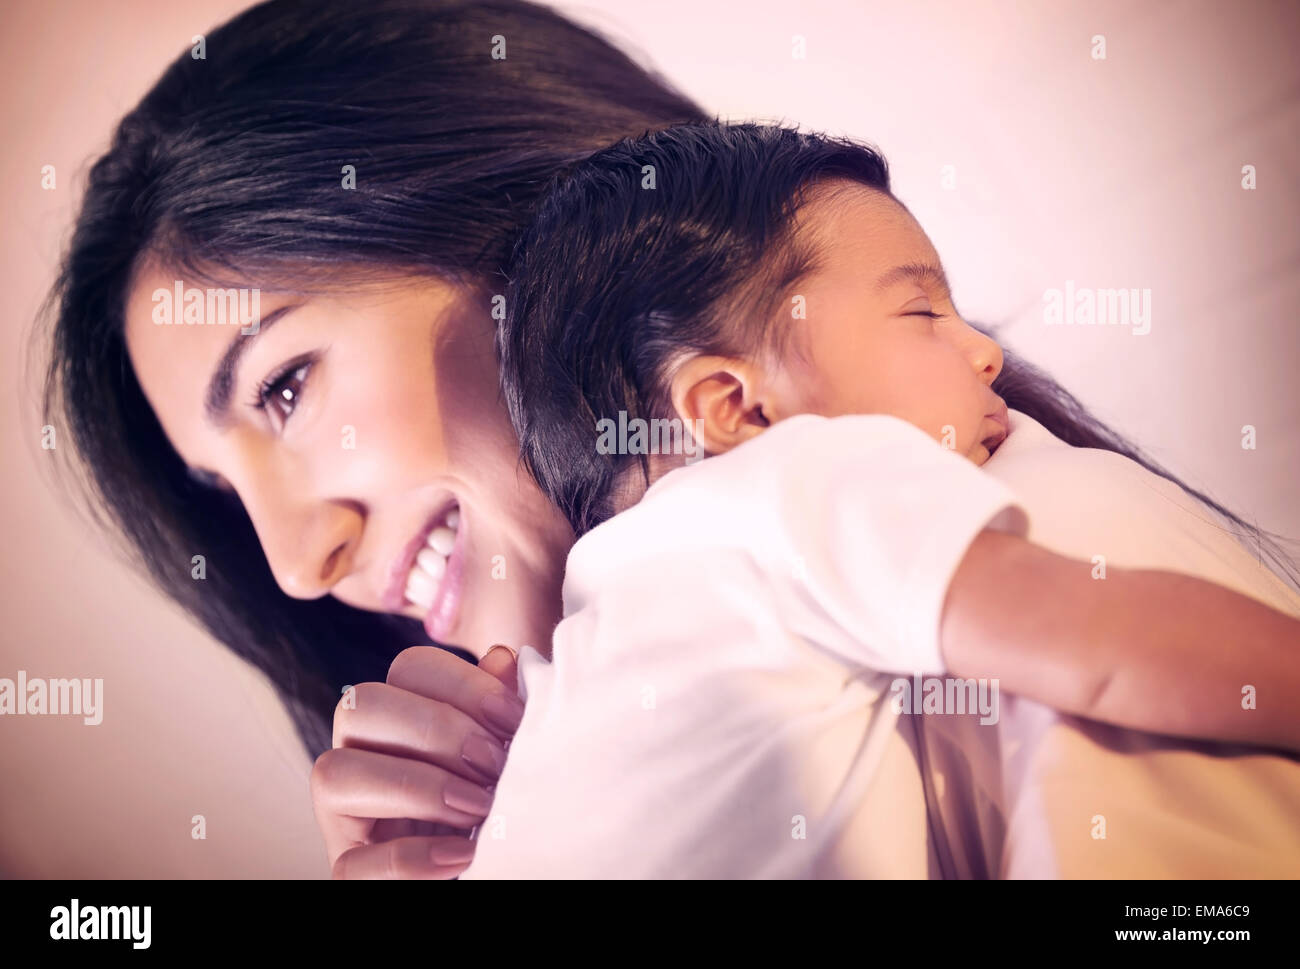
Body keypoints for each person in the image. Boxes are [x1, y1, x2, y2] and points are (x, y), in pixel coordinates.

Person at [40, 1, 1294, 879]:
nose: (297, 565)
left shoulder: (1016, 544)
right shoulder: (622, 705)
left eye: (284, 390)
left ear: (544, 226)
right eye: (228, 490)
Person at [459, 121, 1300, 877]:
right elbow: (1102, 639)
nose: (986, 354)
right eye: (922, 310)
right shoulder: (792, 485)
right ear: (736, 409)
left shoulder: (571, 669)